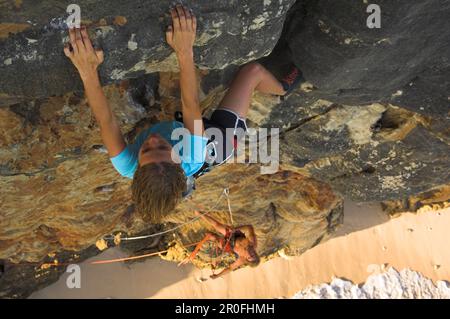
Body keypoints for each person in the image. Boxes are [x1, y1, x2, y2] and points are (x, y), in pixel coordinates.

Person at [63, 4, 304, 223]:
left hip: (190, 134)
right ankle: (282, 87)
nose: (153, 141)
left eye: (146, 150)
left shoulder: (126, 166)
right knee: (252, 72)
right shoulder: (192, 154)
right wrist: (184, 48)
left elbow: (107, 120)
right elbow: (190, 105)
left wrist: (87, 69)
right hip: (219, 140)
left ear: (136, 168)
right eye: (163, 148)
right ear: (178, 159)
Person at [179, 211, 260, 279]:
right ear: (255, 253)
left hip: (230, 246)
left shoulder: (242, 260)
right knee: (217, 225)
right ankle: (200, 213)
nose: (250, 253)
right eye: (253, 254)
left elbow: (230, 268)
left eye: (250, 257)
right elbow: (249, 227)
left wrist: (218, 275)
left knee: (213, 237)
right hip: (235, 235)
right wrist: (236, 229)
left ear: (246, 258)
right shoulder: (252, 243)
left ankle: (213, 238)